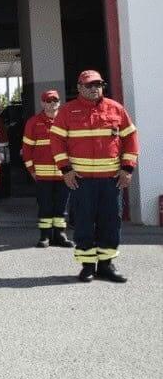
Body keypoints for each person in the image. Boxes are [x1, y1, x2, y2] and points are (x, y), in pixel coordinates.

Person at [49, 70, 139, 283]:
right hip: (82, 181)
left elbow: (131, 138)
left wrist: (127, 169)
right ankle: (88, 266)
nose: (94, 88)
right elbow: (56, 141)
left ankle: (106, 266)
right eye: (89, 85)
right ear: (79, 87)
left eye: (98, 84)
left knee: (110, 222)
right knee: (84, 222)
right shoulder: (67, 111)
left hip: (110, 180)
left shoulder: (116, 109)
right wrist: (66, 170)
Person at [22, 90, 73, 248]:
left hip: (63, 173)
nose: (52, 104)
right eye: (48, 101)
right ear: (42, 103)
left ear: (59, 102)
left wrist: (71, 170)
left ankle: (60, 235)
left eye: (55, 100)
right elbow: (27, 148)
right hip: (42, 175)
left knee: (61, 206)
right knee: (45, 206)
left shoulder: (67, 121)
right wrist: (32, 170)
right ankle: (44, 236)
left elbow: (74, 146)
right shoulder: (33, 122)